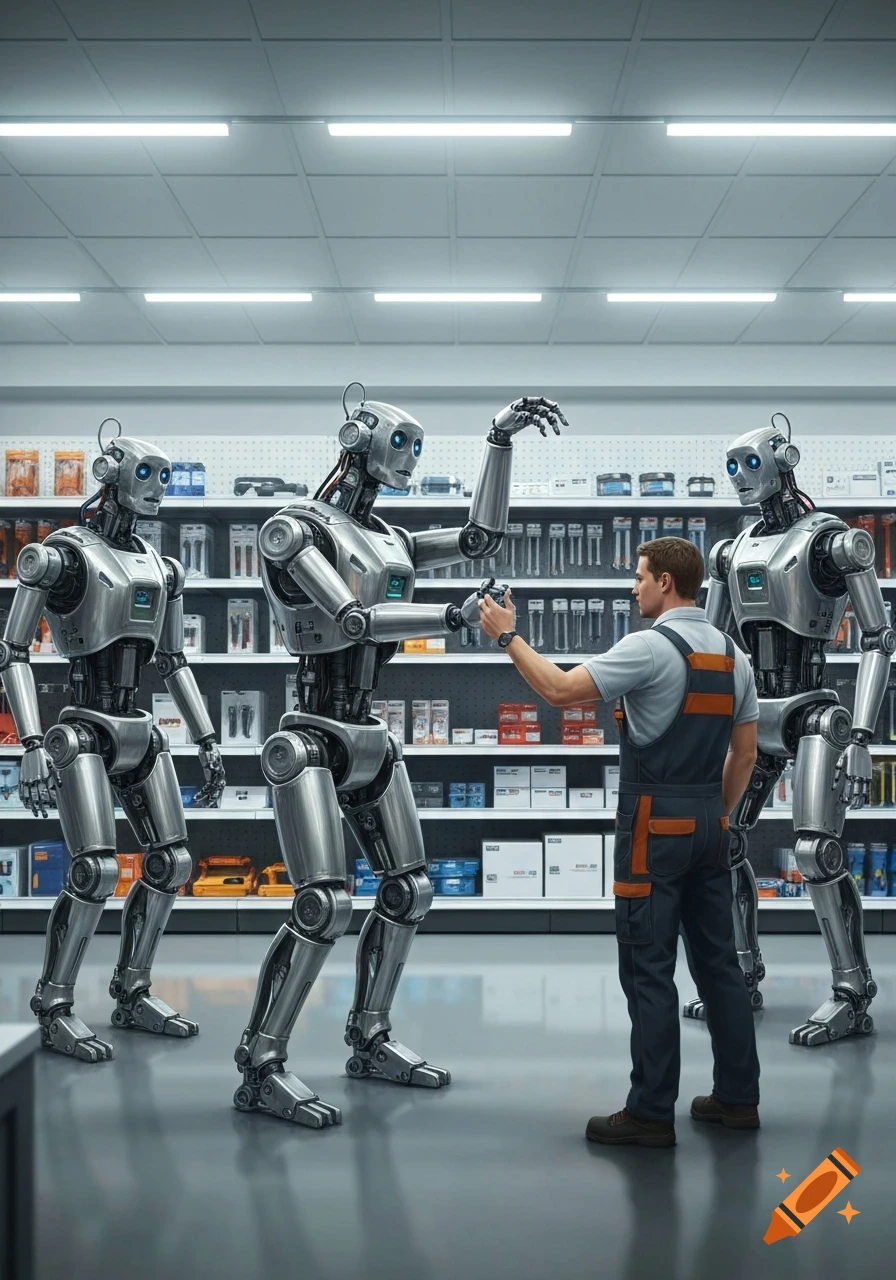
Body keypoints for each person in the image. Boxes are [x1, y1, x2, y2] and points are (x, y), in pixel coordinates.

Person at [478, 536, 761, 1148]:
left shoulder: (649, 648)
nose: (633, 588)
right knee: (720, 966)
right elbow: (745, 754)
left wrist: (508, 636)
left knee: (648, 968)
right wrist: (717, 815)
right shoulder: (733, 657)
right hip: (711, 825)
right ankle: (739, 1099)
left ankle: (651, 1111)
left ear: (665, 582)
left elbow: (557, 690)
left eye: (639, 578)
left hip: (652, 826)